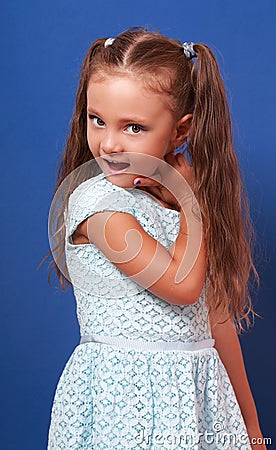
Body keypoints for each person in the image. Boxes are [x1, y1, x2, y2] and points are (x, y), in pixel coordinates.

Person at [44, 26, 266, 449]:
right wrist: (193, 201)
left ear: (180, 132)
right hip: (125, 404)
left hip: (198, 401)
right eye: (97, 120)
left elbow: (213, 316)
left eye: (134, 127)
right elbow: (183, 287)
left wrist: (251, 426)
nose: (108, 143)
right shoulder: (101, 207)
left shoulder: (177, 208)